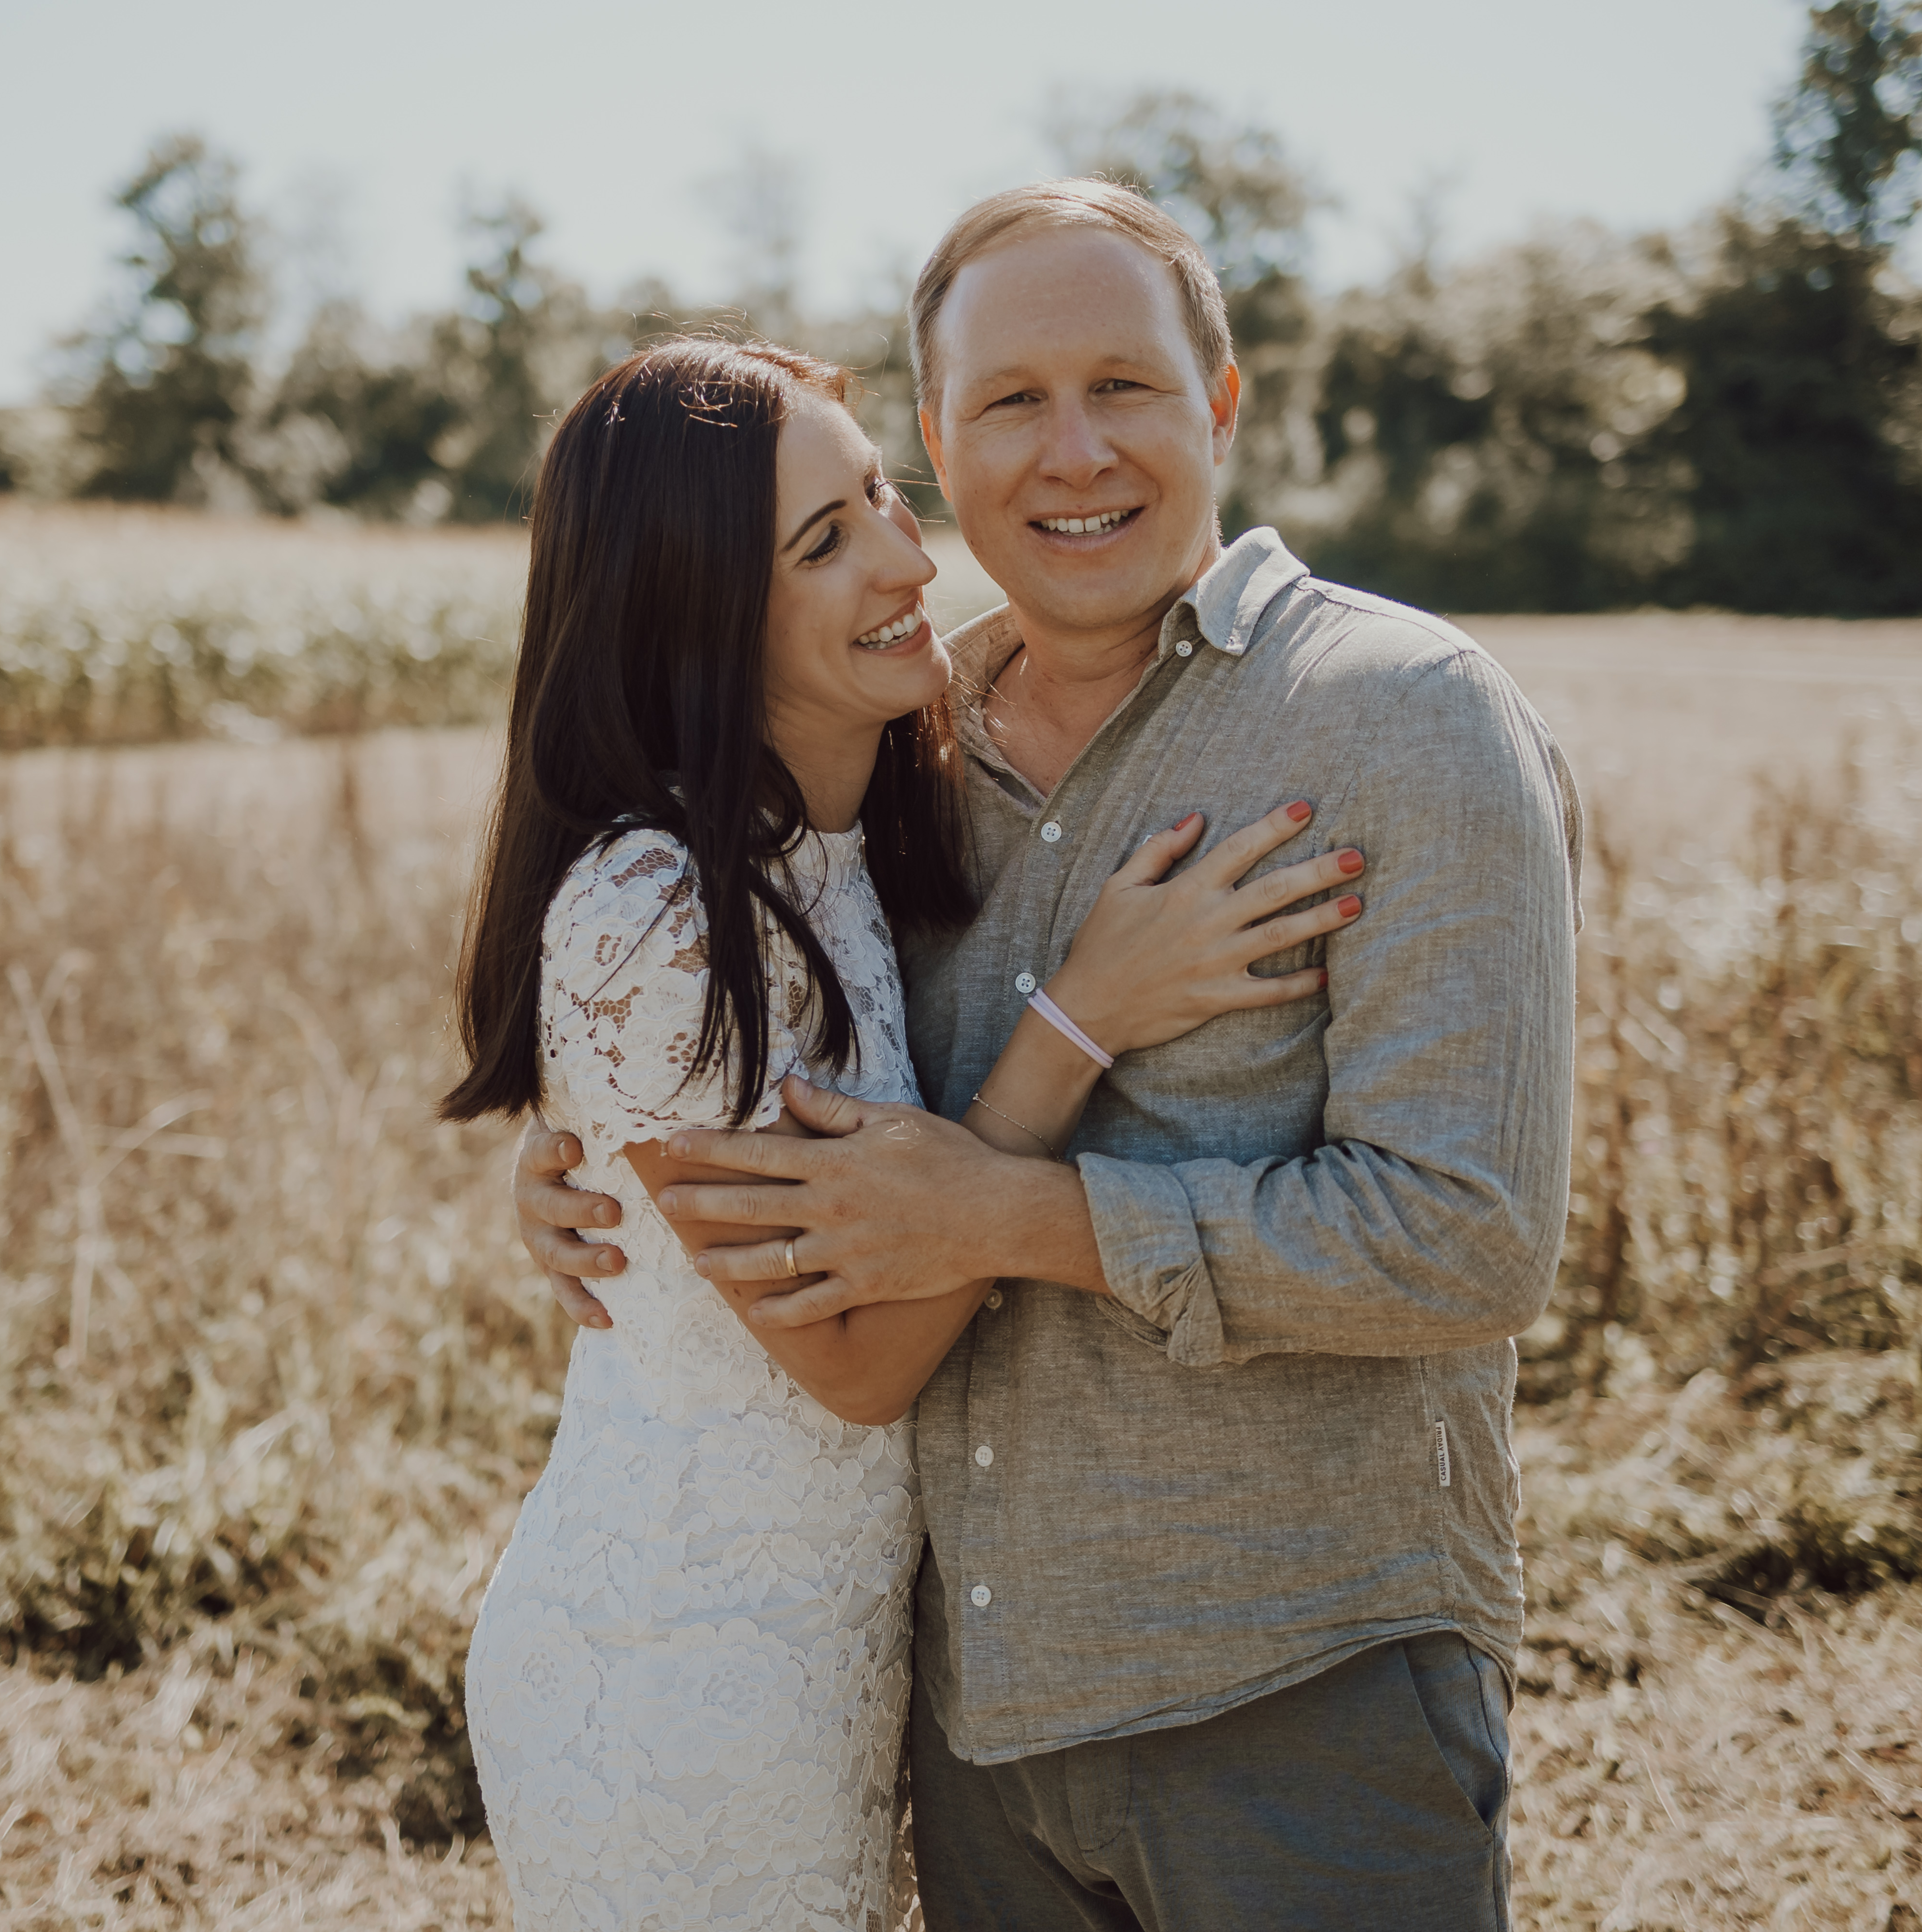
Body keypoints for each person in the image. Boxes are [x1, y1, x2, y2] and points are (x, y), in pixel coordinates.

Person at [516, 182, 1583, 1929]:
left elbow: (1467, 1235)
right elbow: (721, 990)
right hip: (968, 1720)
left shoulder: (1399, 715)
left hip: (1295, 1690)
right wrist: (580, 1163)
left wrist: (1012, 1218)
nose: (1072, 451)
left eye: (1126, 387)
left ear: (1221, 403)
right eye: (1010, 402)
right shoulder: (902, 736)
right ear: (936, 441)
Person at [440, 335, 1369, 1932]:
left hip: (853, 1649)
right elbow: (857, 1366)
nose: (907, 555)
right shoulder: (658, 902)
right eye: (825, 543)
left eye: (880, 495)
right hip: (682, 1673)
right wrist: (1083, 1022)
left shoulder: (842, 838)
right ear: (700, 619)